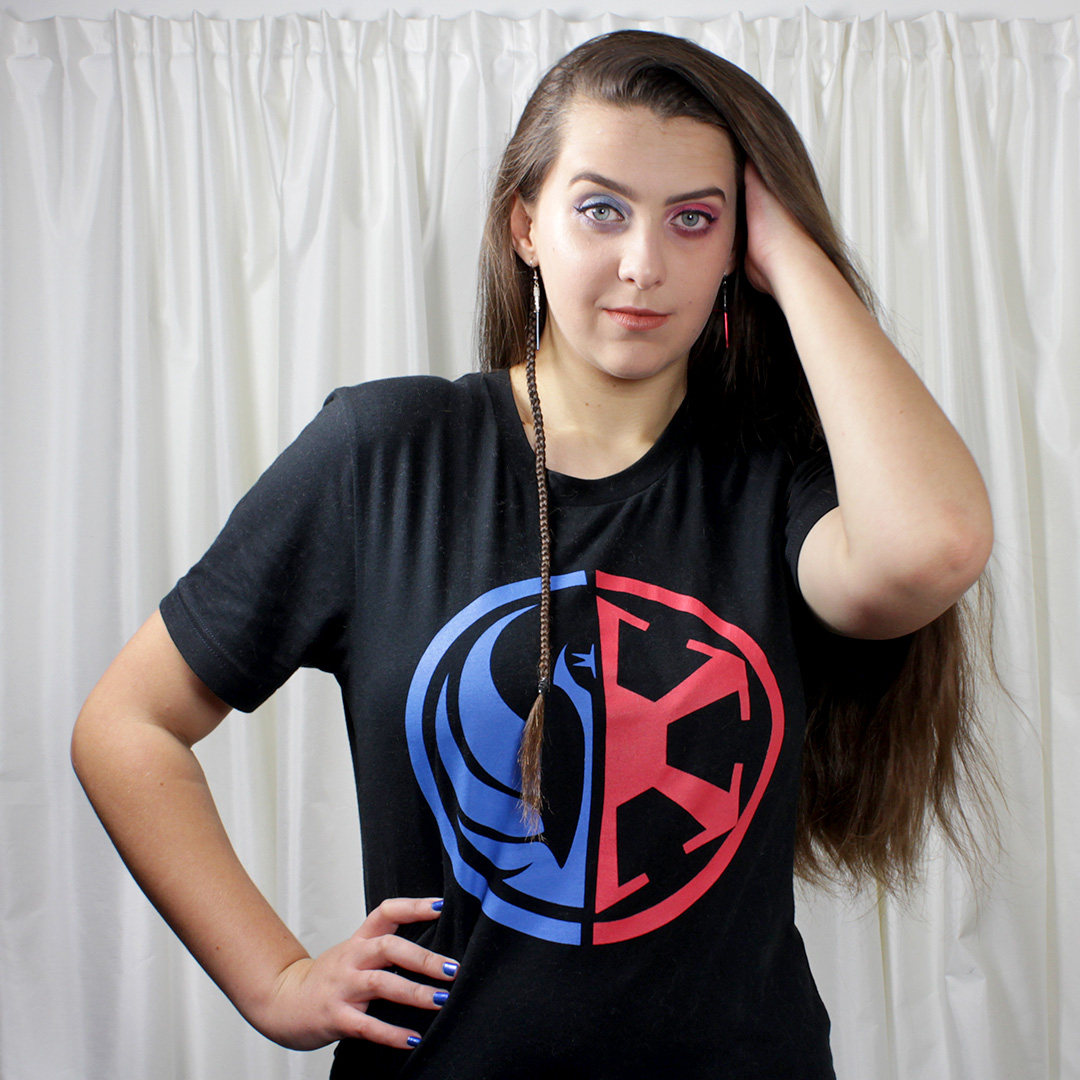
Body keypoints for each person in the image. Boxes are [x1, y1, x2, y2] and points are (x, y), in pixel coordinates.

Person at [71, 29, 995, 1080]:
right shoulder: (385, 456)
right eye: (602, 209)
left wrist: (789, 253)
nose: (643, 263)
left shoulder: (778, 481)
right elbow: (127, 725)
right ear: (524, 224)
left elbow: (933, 548)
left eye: (693, 219)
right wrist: (276, 980)